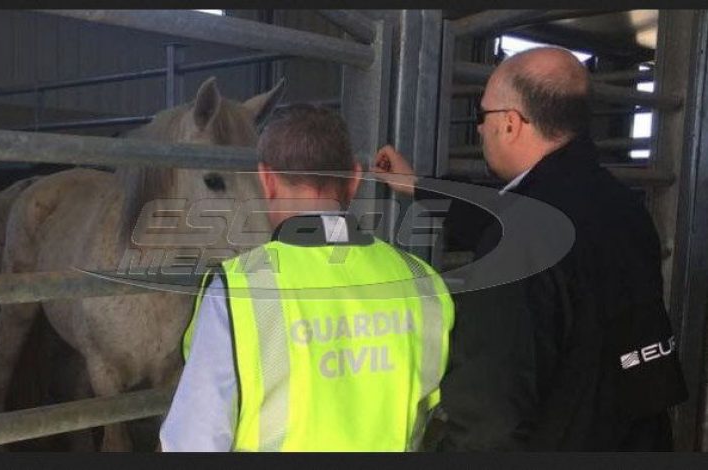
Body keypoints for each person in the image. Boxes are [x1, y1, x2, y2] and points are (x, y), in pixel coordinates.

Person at [372, 46, 687, 451]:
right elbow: (504, 215)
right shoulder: (618, 205)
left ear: (511, 123)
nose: (480, 129)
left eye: (482, 115)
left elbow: (489, 422)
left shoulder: (522, 235)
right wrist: (416, 186)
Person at [159, 104, 454, 452]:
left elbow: (193, 441)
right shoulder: (421, 281)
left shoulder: (239, 291)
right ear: (355, 179)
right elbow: (429, 409)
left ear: (266, 180)